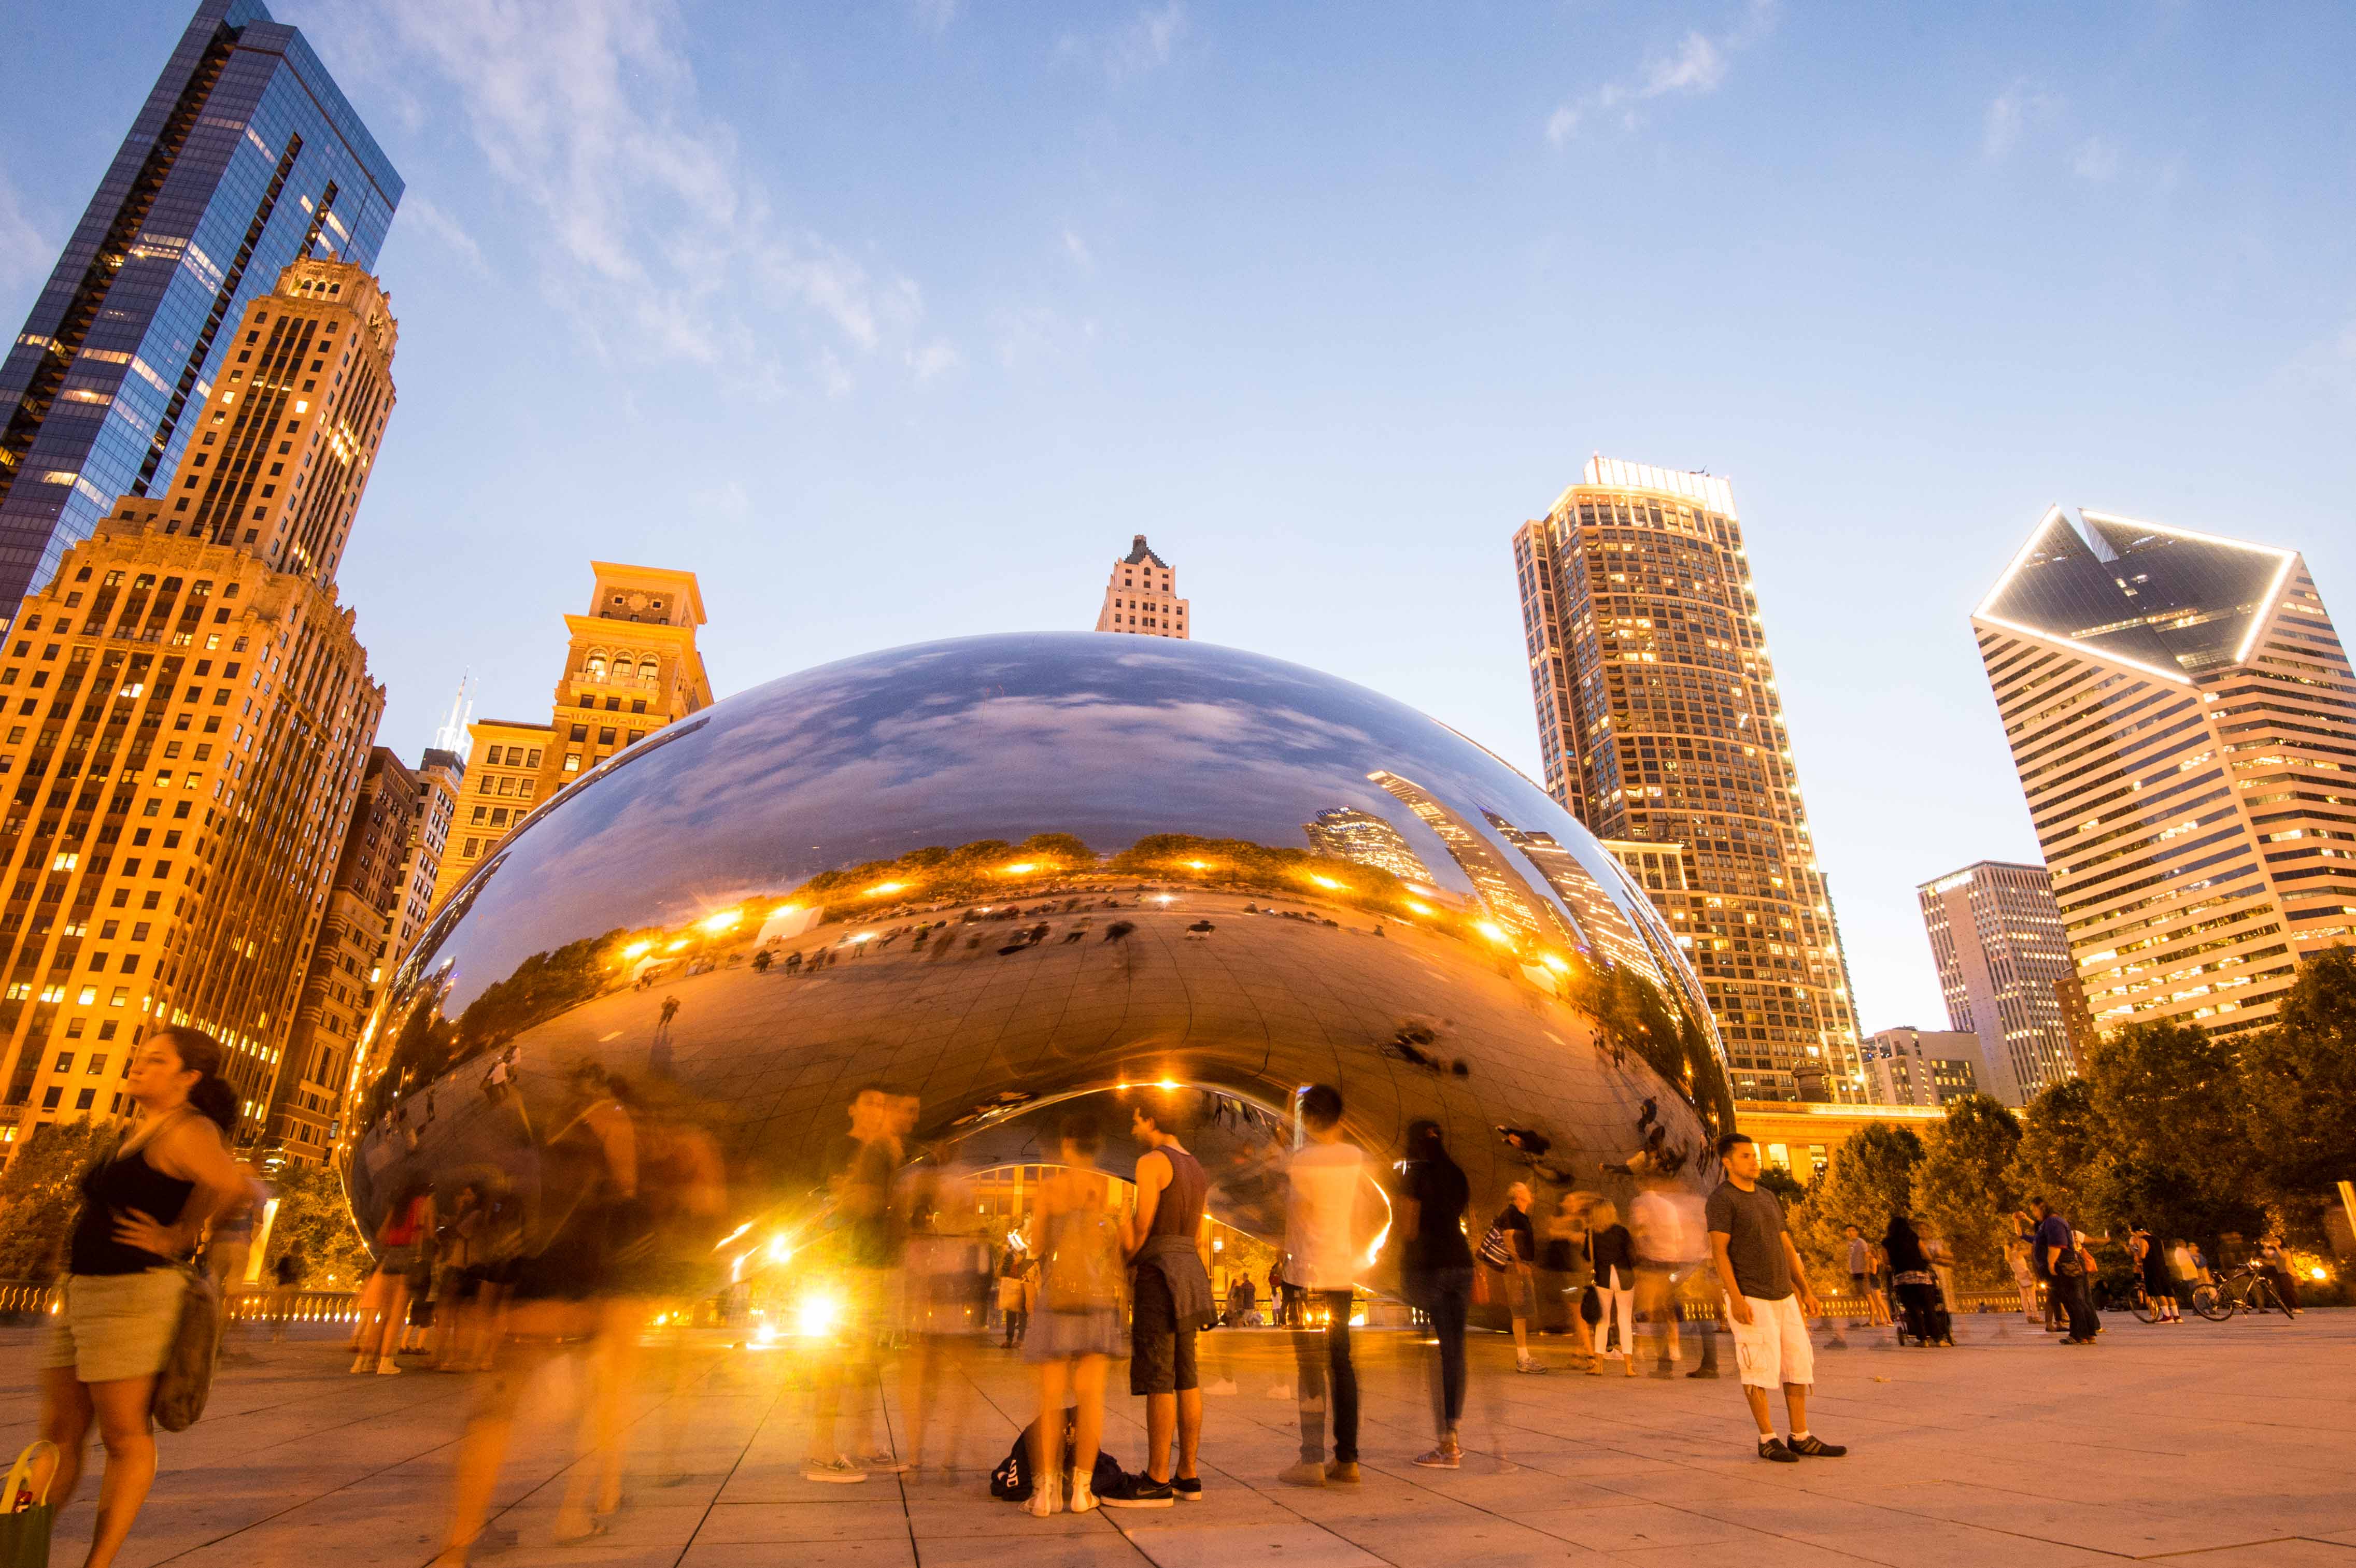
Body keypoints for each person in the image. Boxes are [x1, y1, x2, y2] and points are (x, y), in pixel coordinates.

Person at [36, 1027, 249, 1568]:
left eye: (155, 1060)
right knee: (59, 1431)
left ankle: (98, 1562)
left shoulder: (189, 1129)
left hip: (133, 1294)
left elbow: (238, 1185)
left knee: (124, 1436)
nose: (138, 1065)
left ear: (188, 1077)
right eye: (140, 1056)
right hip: (84, 1289)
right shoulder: (142, 1126)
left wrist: (179, 1234)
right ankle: (22, 1542)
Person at [434, 1063, 638, 1564]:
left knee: (494, 1412)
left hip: (531, 1278)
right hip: (580, 1278)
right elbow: (628, 1186)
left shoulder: (549, 1130)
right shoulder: (612, 1118)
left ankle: (458, 1542)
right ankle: (575, 1514)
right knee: (603, 1398)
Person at [1100, 1099, 1214, 1508]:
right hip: (1189, 1272)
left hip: (1159, 1275)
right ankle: (1189, 1474)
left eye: (1136, 1119)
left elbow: (1144, 1224)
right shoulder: (1196, 1167)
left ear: (1152, 1120)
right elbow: (1198, 1235)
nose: (1133, 1126)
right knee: (1188, 1375)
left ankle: (1156, 1479)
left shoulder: (1152, 1162)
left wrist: (1120, 1249)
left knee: (1159, 1376)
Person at [1706, 1133, 1843, 1463]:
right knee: (1757, 1368)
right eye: (1745, 1157)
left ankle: (1800, 1436)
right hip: (1751, 1297)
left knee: (1798, 1365)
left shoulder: (1768, 1197)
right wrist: (1736, 1298)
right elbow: (1719, 1252)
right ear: (1727, 1163)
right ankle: (1767, 1438)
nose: (1754, 1161)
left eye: (1754, 1155)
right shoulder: (1722, 1199)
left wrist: (1804, 1288)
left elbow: (1786, 1246)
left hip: (1784, 1296)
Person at [804, 1085, 914, 1483]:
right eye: (870, 1101)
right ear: (851, 1109)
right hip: (847, 1264)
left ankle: (864, 1443)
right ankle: (819, 1450)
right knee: (834, 1357)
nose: (879, 1109)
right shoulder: (845, 1148)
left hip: (877, 1264)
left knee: (868, 1361)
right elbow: (847, 1199)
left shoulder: (886, 1153)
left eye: (885, 1103)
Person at [1020, 1114, 1125, 1517]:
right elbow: (1110, 1242)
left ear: (1066, 1144)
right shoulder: (1104, 1187)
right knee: (1091, 1398)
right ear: (1097, 1147)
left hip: (1058, 1297)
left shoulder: (1050, 1189)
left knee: (1050, 1396)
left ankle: (1045, 1493)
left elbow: (1038, 1245)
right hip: (1097, 1299)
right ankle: (1082, 1490)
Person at [1279, 1084, 1366, 1487]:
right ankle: (1347, 1460)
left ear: (1309, 1121)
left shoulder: (1302, 1162)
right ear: (1342, 1118)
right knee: (1341, 1363)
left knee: (1309, 1367)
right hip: (1340, 1275)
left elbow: (1296, 1217)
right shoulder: (1354, 1158)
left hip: (1306, 1276)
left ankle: (1311, 1460)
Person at [1395, 1119, 1473, 1467]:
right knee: (1455, 1350)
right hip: (1461, 1263)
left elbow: (1407, 1229)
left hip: (1432, 1267)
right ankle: (1452, 1434)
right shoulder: (1457, 1173)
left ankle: (1446, 1446)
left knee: (1437, 1351)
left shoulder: (1414, 1175)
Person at [1492, 1182, 1548, 1373]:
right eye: (1525, 1191)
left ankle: (1523, 1356)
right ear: (1517, 1196)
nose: (1529, 1193)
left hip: (1518, 1268)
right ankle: (1523, 1359)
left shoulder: (1518, 1215)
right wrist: (1518, 1262)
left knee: (1522, 1312)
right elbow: (1508, 1237)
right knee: (1520, 1312)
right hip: (1515, 1270)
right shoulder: (1512, 1214)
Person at [2028, 1197, 2097, 1345]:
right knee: (2075, 1300)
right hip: (2066, 1267)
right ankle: (2086, 1334)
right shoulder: (2054, 1222)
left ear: (2041, 1207)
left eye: (2034, 1210)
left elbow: (2057, 1244)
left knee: (2072, 1301)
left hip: (2063, 1268)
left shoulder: (2053, 1222)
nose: (2034, 1214)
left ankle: (2080, 1334)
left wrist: (2051, 1264)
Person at [1586, 1201, 1636, 1378]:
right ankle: (1629, 1367)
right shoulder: (1622, 1231)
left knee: (1603, 1322)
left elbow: (1587, 1256)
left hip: (1604, 1278)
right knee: (1624, 1321)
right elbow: (1633, 1254)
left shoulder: (1592, 1233)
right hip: (1624, 1277)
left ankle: (1599, 1366)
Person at [1881, 1216, 1938, 1345]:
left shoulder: (1887, 1242)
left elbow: (1887, 1262)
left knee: (1914, 1310)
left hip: (1903, 1280)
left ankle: (1923, 1340)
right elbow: (1927, 1256)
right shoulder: (1914, 1237)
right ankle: (1937, 1338)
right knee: (1929, 1308)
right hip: (1921, 1278)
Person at [2130, 1228, 2180, 1323]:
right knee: (2168, 1292)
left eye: (2134, 1234)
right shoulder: (2158, 1239)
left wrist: (2135, 1250)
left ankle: (2167, 1317)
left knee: (2159, 1293)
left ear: (2137, 1232)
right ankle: (2177, 1317)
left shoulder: (2142, 1240)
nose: (2135, 1236)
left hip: (2152, 1269)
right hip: (2163, 1267)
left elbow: (2143, 1256)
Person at [2256, 1234, 2303, 1315]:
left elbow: (2283, 1256)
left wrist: (2277, 1247)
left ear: (2281, 1241)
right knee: (2283, 1292)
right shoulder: (2277, 1251)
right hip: (2280, 1272)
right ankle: (2287, 1308)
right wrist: (2266, 1247)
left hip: (2287, 1272)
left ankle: (2298, 1307)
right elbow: (2269, 1257)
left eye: (2277, 1240)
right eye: (2274, 1240)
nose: (2275, 1242)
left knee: (2290, 1291)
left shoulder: (2285, 1250)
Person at [2006, 1214, 2040, 1321]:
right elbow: (2031, 1250)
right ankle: (2036, 1316)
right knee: (2032, 1297)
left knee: (2024, 1298)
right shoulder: (2019, 1253)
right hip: (2026, 1275)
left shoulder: (2009, 1256)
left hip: (2018, 1278)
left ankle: (2029, 1316)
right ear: (2015, 1244)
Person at [997, 1242, 1030, 1348]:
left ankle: (1020, 1339)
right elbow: (1005, 1268)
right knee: (1010, 1312)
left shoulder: (1027, 1250)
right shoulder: (1010, 1251)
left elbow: (1029, 1266)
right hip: (1011, 1284)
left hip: (1023, 1284)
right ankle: (1009, 1339)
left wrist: (1022, 1264)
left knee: (1023, 1312)